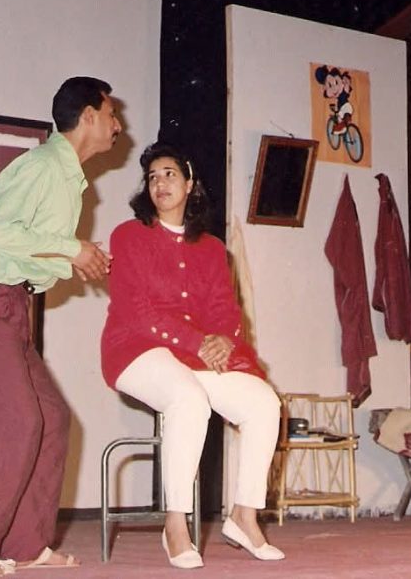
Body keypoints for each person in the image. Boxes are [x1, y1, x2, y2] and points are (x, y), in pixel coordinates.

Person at [0, 76, 121, 575]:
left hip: (8, 301)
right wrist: (72, 250)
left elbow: (30, 247)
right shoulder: (43, 166)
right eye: (111, 115)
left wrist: (74, 258)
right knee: (13, 422)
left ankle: (25, 544)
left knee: (51, 418)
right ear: (88, 117)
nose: (117, 125)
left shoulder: (67, 177)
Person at [101, 144, 285, 569]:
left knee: (264, 403)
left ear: (189, 185)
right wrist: (198, 342)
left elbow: (225, 309)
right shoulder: (128, 236)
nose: (160, 183)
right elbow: (137, 312)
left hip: (196, 355)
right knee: (188, 399)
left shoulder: (212, 248)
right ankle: (176, 523)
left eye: (169, 174)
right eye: (152, 177)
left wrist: (223, 340)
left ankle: (244, 517)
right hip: (135, 348)